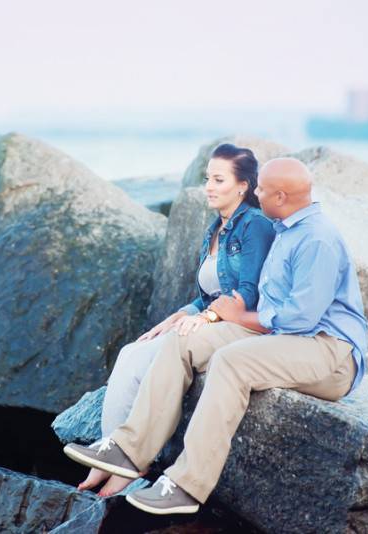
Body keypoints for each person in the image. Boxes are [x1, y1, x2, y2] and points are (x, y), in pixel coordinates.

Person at [64, 157, 368, 515]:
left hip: (329, 352)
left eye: (262, 189)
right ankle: (131, 451)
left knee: (231, 361)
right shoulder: (286, 228)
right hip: (286, 336)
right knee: (184, 341)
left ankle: (185, 486)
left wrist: (239, 315)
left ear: (282, 197)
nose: (255, 193)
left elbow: (300, 319)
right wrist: (211, 315)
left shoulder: (317, 239)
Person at [77, 144, 275, 496]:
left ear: (243, 185)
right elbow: (208, 292)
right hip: (212, 316)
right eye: (206, 179)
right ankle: (109, 456)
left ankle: (130, 467)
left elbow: (248, 293)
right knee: (131, 354)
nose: (209, 187)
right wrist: (180, 315)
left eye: (218, 179)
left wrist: (207, 318)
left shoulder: (254, 226)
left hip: (240, 324)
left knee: (167, 349)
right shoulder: (216, 227)